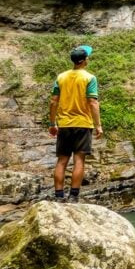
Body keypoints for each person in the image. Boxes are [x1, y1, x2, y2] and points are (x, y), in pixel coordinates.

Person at [49, 45, 103, 203]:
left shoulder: (61, 77)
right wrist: (98, 125)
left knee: (62, 160)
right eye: (88, 57)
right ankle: (73, 196)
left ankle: (59, 197)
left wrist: (53, 123)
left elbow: (53, 102)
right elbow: (93, 102)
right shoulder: (89, 78)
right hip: (83, 124)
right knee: (79, 160)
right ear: (85, 60)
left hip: (64, 124)